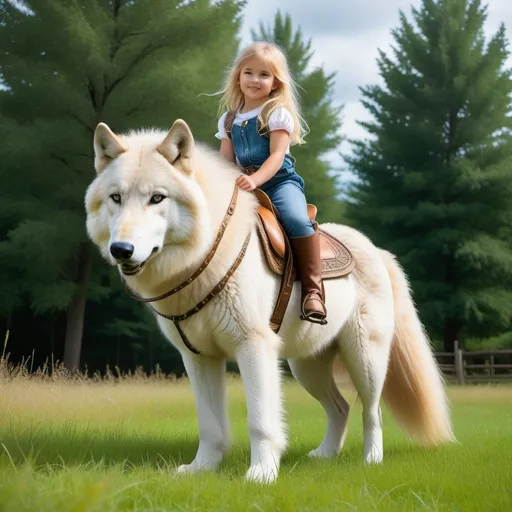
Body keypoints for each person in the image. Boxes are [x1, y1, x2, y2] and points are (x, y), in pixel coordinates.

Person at [215, 41, 327, 325]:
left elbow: (277, 156)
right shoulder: (228, 120)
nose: (255, 80)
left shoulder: (276, 114)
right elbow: (224, 163)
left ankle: (313, 292)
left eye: (264, 75)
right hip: (243, 184)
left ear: (276, 82)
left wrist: (254, 180)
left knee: (297, 220)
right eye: (249, 73)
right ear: (238, 76)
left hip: (279, 183)